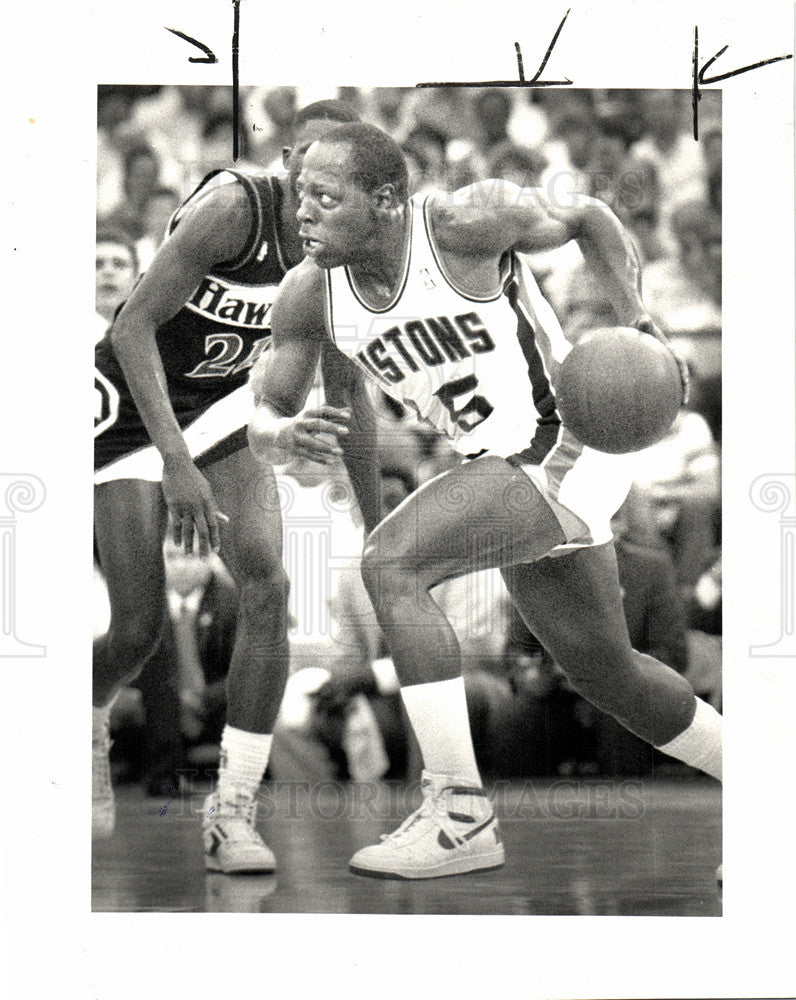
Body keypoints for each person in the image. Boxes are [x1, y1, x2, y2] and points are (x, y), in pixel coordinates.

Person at [248, 121, 723, 881]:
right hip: (503, 469)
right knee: (609, 676)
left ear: (386, 200)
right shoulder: (311, 294)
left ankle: (459, 810)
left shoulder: (465, 222)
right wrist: (282, 433)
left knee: (393, 563)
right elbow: (281, 411)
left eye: (326, 198)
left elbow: (589, 218)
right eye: (300, 195)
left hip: (559, 438)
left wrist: (637, 320)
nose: (303, 213)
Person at [93, 101, 382, 875]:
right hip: (128, 403)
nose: (321, 194)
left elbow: (347, 394)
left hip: (216, 407)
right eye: (311, 173)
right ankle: (85, 721)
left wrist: (380, 525)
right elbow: (130, 328)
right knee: (136, 629)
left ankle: (231, 811)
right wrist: (176, 463)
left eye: (340, 183)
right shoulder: (233, 208)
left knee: (268, 583)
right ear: (289, 161)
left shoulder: (339, 258)